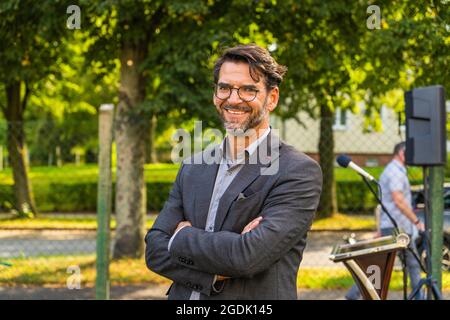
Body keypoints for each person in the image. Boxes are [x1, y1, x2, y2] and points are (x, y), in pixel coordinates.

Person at [145, 44, 322, 300]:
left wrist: (181, 237)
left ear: (272, 98)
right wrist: (217, 269)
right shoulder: (193, 167)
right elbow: (155, 250)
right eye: (225, 87)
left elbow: (246, 257)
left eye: (248, 90)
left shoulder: (297, 171)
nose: (233, 98)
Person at [345, 141, 425, 300]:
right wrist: (416, 221)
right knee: (406, 265)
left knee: (388, 265)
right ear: (402, 153)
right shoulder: (395, 172)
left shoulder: (395, 170)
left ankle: (353, 295)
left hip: (396, 226)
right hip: (398, 228)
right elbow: (398, 200)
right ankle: (419, 297)